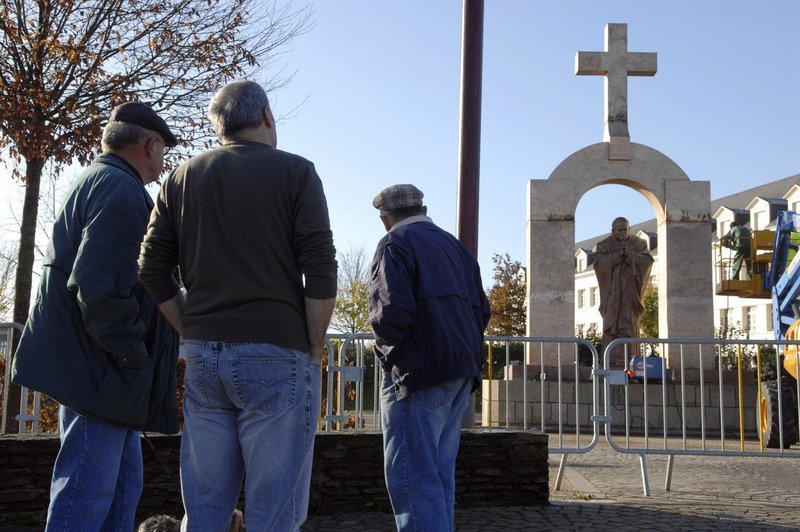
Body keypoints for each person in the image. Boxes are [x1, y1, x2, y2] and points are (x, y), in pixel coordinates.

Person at [138, 80, 337, 531]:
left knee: (205, 511)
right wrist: (313, 347)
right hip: (277, 354)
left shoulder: (181, 177)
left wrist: (191, 328)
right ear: (267, 116)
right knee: (274, 514)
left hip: (207, 360)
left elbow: (151, 269)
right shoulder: (297, 173)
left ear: (218, 127)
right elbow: (321, 270)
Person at [11, 102, 181, 530]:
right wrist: (132, 360)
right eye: (163, 150)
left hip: (102, 370)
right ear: (150, 143)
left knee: (119, 490)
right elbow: (100, 289)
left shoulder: (99, 180)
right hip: (103, 371)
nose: (163, 162)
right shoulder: (120, 191)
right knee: (87, 495)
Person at [368, 184, 491, 532]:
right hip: (459, 369)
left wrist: (387, 359)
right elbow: (482, 310)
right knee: (437, 474)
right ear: (423, 208)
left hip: (417, 372)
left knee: (410, 475)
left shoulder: (395, 244)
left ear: (385, 219)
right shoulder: (455, 247)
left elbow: (389, 315)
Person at [592, 217, 654, 364]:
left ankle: (632, 361)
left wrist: (630, 256)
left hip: (630, 292)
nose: (623, 232)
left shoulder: (640, 243)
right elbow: (599, 263)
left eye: (626, 229)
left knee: (630, 322)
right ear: (613, 231)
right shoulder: (604, 245)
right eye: (619, 230)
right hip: (612, 292)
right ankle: (610, 360)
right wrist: (618, 256)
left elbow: (647, 260)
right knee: (612, 322)